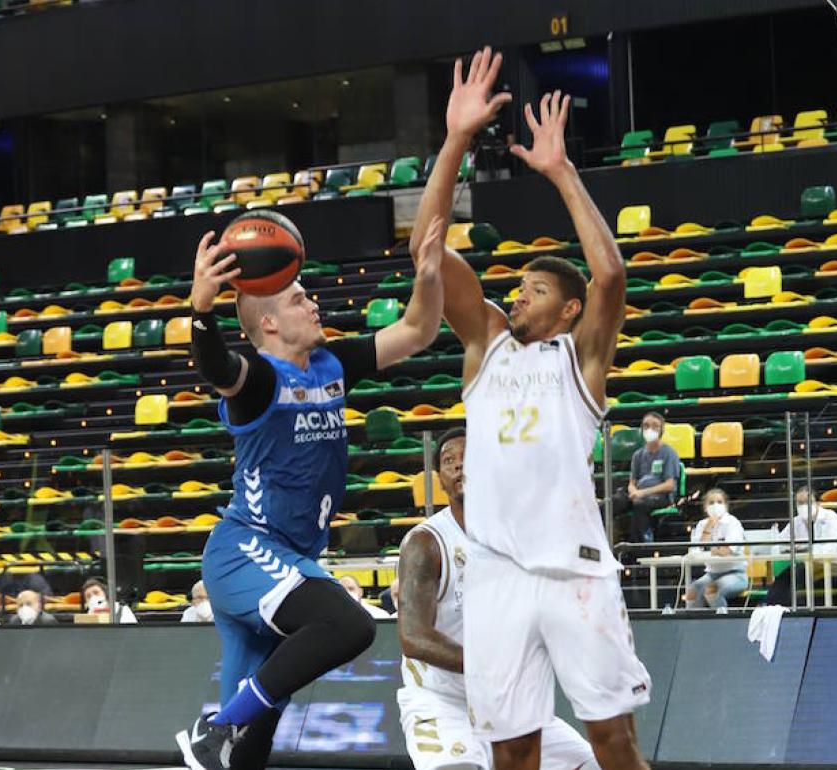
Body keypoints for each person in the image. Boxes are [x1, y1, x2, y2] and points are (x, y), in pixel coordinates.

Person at [408, 46, 650, 770]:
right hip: (497, 575)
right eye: (516, 285)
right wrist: (454, 139)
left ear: (569, 309)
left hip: (575, 572)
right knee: (511, 752)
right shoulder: (486, 344)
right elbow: (427, 247)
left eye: (535, 290)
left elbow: (610, 272)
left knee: (613, 742)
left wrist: (561, 172)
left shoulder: (581, 360)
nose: (517, 294)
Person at [175, 210, 448, 770]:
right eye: (300, 298)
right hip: (244, 551)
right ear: (270, 322)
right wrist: (201, 309)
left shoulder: (331, 364)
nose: (314, 303)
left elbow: (418, 331)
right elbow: (215, 365)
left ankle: (225, 733)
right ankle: (216, 726)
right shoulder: (259, 381)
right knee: (350, 623)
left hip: (288, 557)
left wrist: (428, 274)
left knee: (247, 754)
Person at [397, 428, 599, 770]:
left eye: (468, 458)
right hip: (442, 701)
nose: (460, 466)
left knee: (590, 764)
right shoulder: (426, 542)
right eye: (449, 462)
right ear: (441, 481)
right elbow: (413, 637)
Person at [763, 486, 837, 607]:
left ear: (817, 503)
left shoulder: (830, 517)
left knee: (796, 574)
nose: (804, 506)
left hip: (833, 569)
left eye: (808, 502)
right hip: (806, 568)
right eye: (800, 503)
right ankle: (769, 607)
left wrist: (806, 548)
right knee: (788, 575)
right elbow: (777, 545)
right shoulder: (796, 522)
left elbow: (832, 547)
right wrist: (789, 548)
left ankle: (791, 611)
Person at [621, 412, 681, 543]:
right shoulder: (637, 455)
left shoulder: (669, 452)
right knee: (615, 502)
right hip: (639, 495)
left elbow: (669, 485)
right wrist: (633, 492)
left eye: (655, 426)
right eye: (646, 426)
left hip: (660, 497)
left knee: (639, 506)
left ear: (662, 430)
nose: (650, 429)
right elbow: (632, 482)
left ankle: (643, 546)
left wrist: (642, 493)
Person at [684, 488, 748, 610]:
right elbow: (695, 551)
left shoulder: (732, 523)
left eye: (719, 502)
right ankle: (695, 625)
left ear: (726, 505)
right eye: (711, 503)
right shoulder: (702, 525)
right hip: (711, 574)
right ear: (705, 507)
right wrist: (708, 528)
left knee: (711, 590)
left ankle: (722, 623)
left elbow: (728, 550)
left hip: (736, 574)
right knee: (692, 591)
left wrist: (715, 550)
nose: (715, 506)